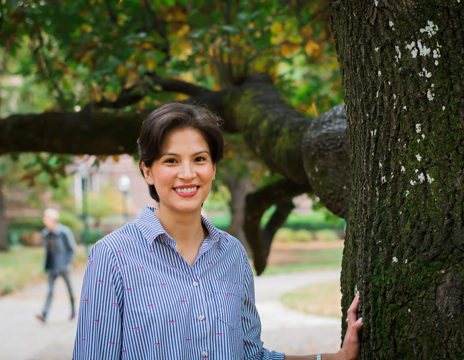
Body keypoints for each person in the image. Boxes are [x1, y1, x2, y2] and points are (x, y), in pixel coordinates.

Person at [73, 103, 363, 360]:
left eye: (199, 159)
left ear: (213, 168)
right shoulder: (112, 255)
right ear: (147, 171)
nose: (187, 174)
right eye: (171, 161)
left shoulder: (232, 254)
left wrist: (334, 359)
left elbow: (251, 356)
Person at [36, 208, 77, 323]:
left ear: (54, 219)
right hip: (52, 267)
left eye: (47, 218)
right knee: (49, 291)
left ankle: (74, 312)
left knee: (70, 290)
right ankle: (44, 314)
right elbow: (48, 251)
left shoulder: (64, 232)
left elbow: (72, 248)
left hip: (64, 267)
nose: (45, 220)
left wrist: (67, 262)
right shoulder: (46, 233)